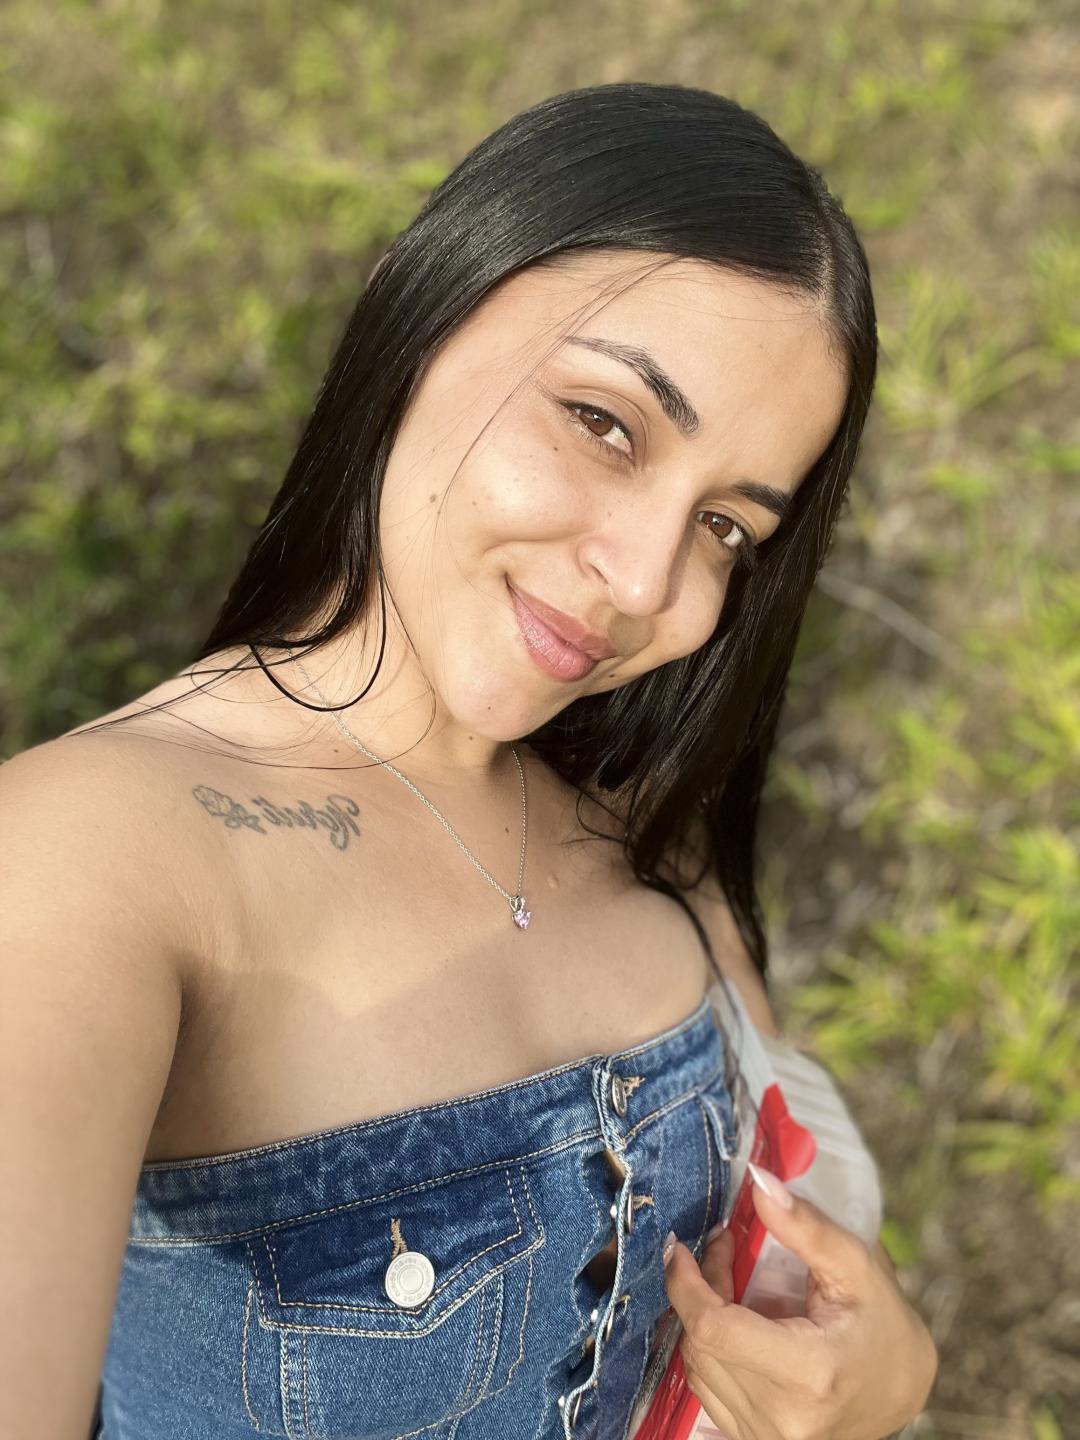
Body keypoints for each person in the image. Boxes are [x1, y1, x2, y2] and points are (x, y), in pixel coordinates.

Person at [1, 82, 937, 1440]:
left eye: (728, 526)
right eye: (606, 423)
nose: (646, 583)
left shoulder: (646, 827)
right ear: (417, 308)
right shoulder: (94, 861)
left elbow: (811, 1236)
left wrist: (890, 1376)